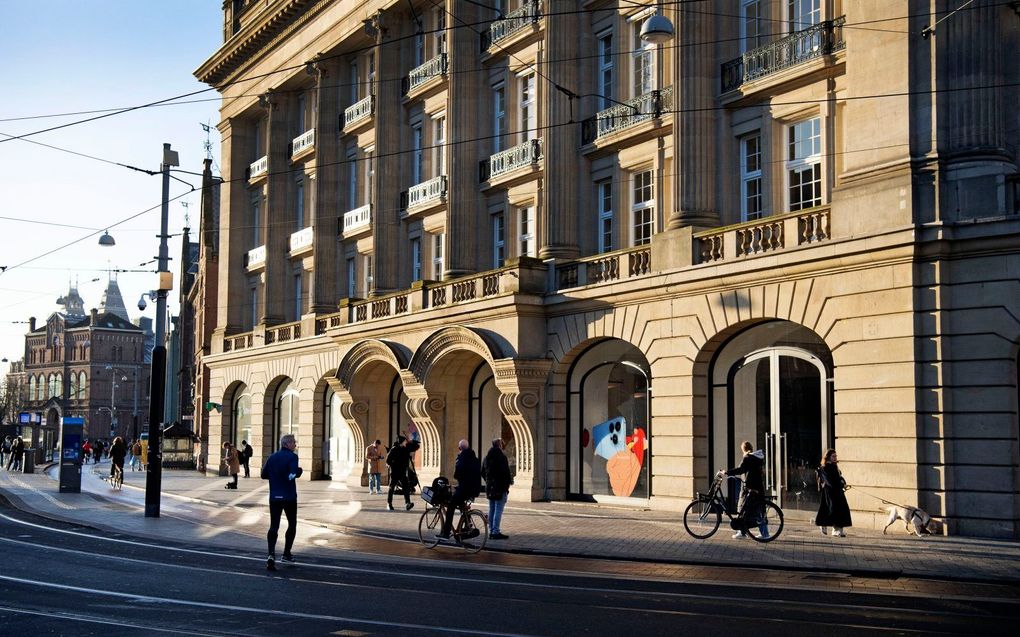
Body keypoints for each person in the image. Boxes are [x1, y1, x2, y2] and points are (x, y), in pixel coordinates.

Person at [261, 433, 303, 570]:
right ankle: (286, 554)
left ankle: (271, 554)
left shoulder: (272, 457)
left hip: (274, 497)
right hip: (289, 496)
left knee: (274, 526)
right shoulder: (293, 457)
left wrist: (275, 476)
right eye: (293, 442)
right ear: (286, 444)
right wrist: (298, 471)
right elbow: (291, 475)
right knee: (292, 524)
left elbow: (263, 475)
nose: (295, 445)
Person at [724, 440, 766, 540]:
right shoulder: (756, 458)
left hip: (749, 489)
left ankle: (742, 532)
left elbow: (740, 469)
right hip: (757, 487)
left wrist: (727, 472)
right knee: (757, 511)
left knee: (743, 509)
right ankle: (763, 533)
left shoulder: (747, 458)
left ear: (743, 449)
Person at [440, 439, 482, 539]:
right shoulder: (475, 459)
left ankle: (446, 533)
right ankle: (466, 526)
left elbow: (457, 475)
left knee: (451, 507)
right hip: (475, 490)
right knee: (462, 504)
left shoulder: (461, 458)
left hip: (465, 489)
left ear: (459, 448)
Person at [816, 448, 852, 537]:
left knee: (842, 510)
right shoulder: (824, 468)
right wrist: (840, 485)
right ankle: (826, 525)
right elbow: (829, 481)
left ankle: (838, 529)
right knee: (832, 510)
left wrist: (843, 483)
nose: (835, 458)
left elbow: (839, 477)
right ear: (828, 457)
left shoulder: (835, 466)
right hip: (830, 493)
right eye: (833, 456)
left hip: (838, 492)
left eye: (836, 456)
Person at [481, 438, 512, 540]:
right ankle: (495, 531)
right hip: (500, 487)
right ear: (500, 445)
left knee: (492, 509)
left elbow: (482, 471)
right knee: (498, 509)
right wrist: (507, 485)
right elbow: (506, 473)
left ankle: (491, 530)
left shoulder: (487, 457)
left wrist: (488, 481)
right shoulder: (502, 457)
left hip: (490, 487)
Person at [385, 437, 414, 511]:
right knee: (392, 488)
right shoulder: (394, 449)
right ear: (401, 442)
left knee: (406, 488)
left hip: (403, 472)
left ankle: (408, 503)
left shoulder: (405, 449)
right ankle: (389, 503)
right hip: (395, 472)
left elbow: (410, 453)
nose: (406, 442)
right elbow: (388, 460)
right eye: (404, 441)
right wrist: (393, 465)